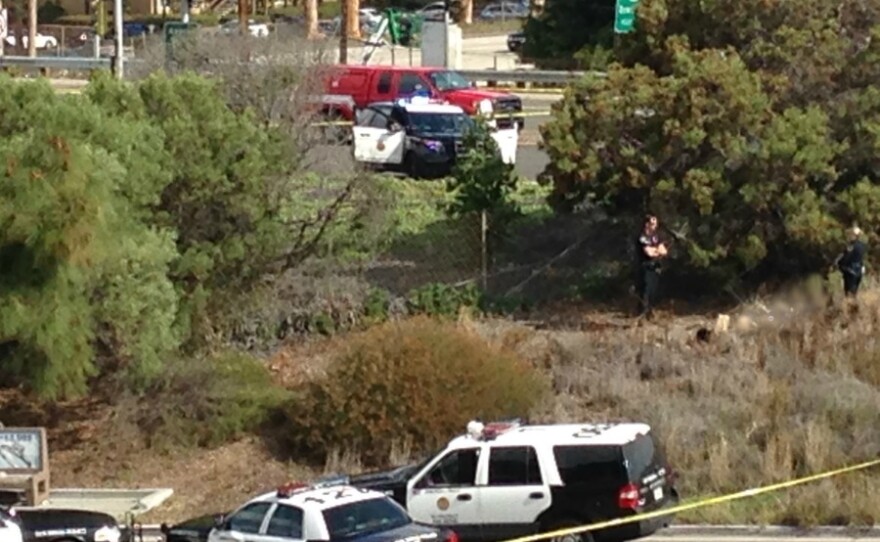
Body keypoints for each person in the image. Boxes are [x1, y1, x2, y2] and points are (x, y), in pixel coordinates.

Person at [634, 214, 668, 319]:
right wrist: (657, 250)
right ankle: (642, 314)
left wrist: (657, 250)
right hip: (645, 267)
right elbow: (649, 253)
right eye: (652, 224)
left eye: (655, 224)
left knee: (653, 291)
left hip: (655, 267)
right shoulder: (642, 237)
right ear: (647, 224)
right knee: (645, 291)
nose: (655, 226)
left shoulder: (657, 236)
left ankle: (650, 313)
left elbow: (664, 251)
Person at [836, 225, 866, 297]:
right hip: (858, 270)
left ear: (855, 236)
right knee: (854, 292)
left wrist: (839, 264)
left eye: (851, 235)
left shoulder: (851, 246)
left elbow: (847, 257)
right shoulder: (862, 245)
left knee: (849, 292)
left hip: (851, 270)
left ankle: (850, 306)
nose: (849, 236)